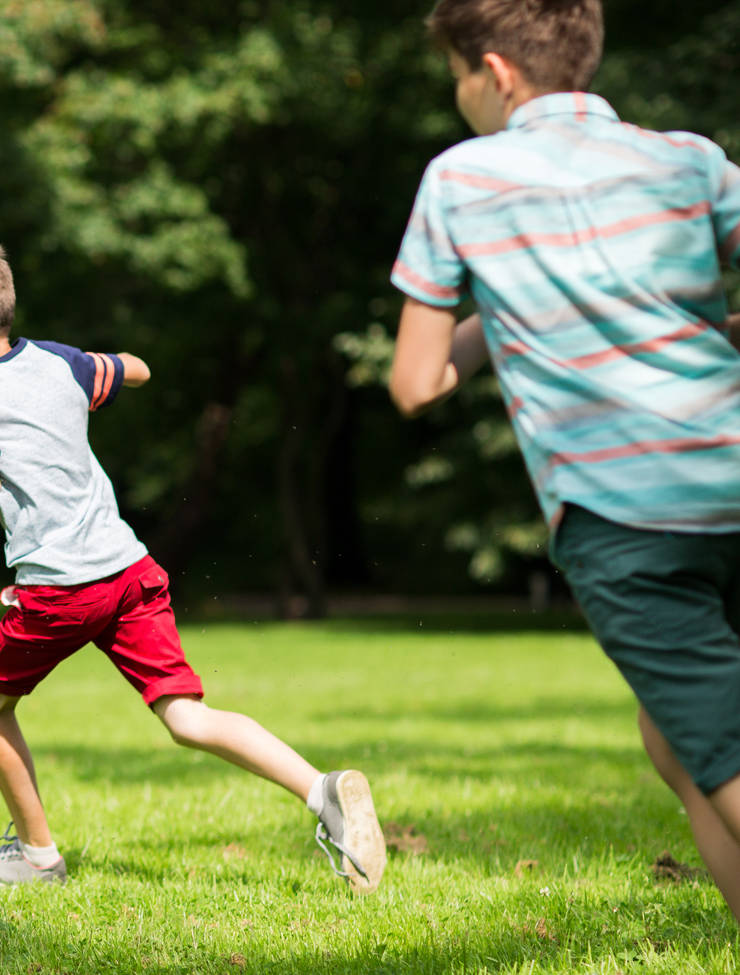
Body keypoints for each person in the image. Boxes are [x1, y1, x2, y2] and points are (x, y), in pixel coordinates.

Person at [388, 0, 740, 924]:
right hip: (730, 470)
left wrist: (513, 316)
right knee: (676, 744)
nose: (460, 95)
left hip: (628, 512)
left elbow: (418, 381)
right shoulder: (688, 158)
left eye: (459, 77)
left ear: (495, 73)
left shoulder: (462, 178)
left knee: (726, 753)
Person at [0, 241, 386, 892]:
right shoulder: (59, 361)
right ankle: (319, 789)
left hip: (61, 587)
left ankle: (37, 856)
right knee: (188, 717)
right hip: (129, 571)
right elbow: (137, 369)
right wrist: (91, 370)